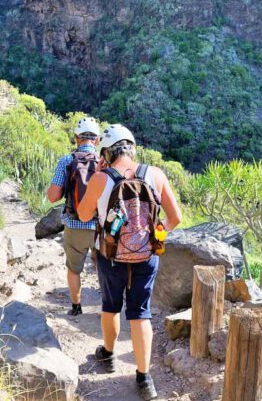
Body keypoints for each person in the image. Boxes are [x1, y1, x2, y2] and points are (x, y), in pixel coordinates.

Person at [77, 124, 182, 400]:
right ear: (132, 148)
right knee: (141, 313)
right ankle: (144, 378)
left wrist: (99, 176)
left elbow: (83, 214)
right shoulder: (155, 174)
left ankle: (108, 355)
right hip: (147, 257)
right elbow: (176, 218)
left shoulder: (102, 178)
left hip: (110, 256)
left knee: (111, 306)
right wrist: (155, 234)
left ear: (107, 152)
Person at [47, 117, 101, 316]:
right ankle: (108, 309)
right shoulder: (105, 163)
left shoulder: (67, 161)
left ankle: (76, 307)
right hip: (101, 227)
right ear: (97, 140)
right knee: (104, 268)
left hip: (74, 224)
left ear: (77, 138)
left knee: (74, 268)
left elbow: (53, 196)